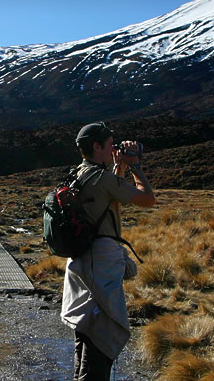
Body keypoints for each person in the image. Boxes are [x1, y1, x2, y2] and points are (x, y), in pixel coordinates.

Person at [61, 122, 156, 381]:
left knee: (86, 331)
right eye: (111, 144)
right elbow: (147, 199)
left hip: (82, 261)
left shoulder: (80, 174)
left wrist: (119, 167)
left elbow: (108, 195)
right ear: (97, 146)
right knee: (101, 335)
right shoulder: (101, 178)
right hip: (100, 265)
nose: (114, 147)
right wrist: (135, 165)